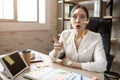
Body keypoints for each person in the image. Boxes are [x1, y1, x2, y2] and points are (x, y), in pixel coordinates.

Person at [49, 4, 107, 72]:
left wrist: (72, 64)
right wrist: (55, 52)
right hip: (69, 73)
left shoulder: (96, 37)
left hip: (88, 75)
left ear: (87, 20)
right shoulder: (65, 34)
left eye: (82, 17)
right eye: (74, 17)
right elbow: (52, 59)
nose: (78, 20)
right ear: (70, 20)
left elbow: (102, 66)